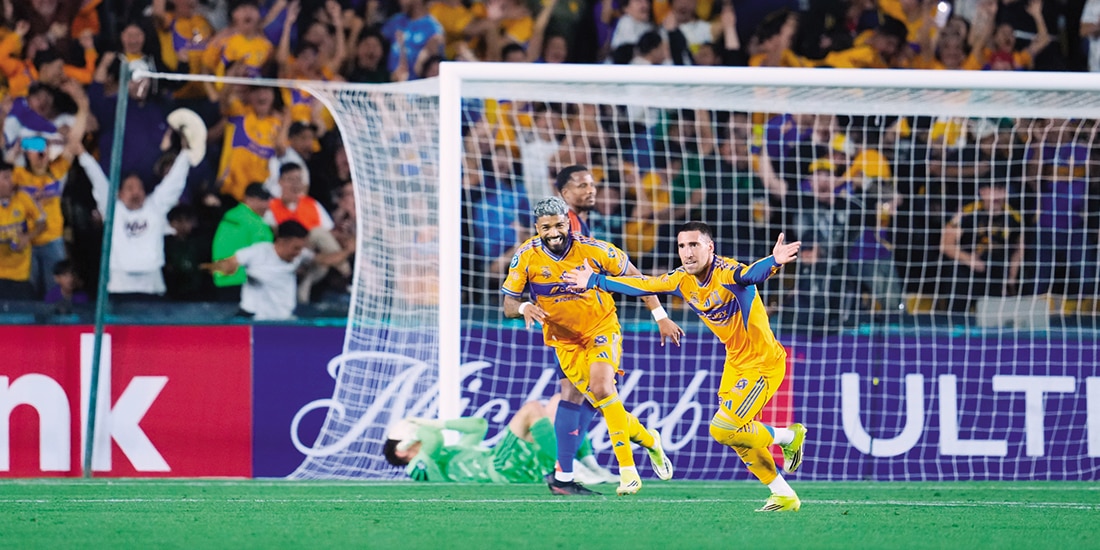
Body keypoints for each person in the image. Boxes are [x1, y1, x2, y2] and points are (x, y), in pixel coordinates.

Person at [562, 221, 808, 512]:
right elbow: (644, 285)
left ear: (710, 247)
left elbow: (749, 274)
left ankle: (788, 436)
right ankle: (782, 494)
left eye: (694, 245)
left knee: (723, 429)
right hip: (736, 363)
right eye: (682, 246)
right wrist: (595, 280)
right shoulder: (682, 279)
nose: (687, 252)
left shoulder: (726, 273)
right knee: (737, 435)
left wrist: (773, 262)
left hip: (764, 363)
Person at [502, 197, 676, 496]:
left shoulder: (595, 249)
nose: (554, 233)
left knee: (602, 388)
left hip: (600, 328)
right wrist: (523, 307)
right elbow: (508, 304)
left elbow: (638, 279)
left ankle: (627, 471)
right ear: (537, 228)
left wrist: (660, 316)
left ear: (568, 223)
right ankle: (647, 442)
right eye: (546, 227)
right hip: (564, 341)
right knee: (587, 398)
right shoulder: (526, 256)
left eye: (559, 225)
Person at [545, 166, 683, 495]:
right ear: (564, 193)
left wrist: (659, 314)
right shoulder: (565, 227)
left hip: (589, 325)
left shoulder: (580, 229)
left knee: (588, 394)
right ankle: (570, 468)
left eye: (592, 184)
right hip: (572, 328)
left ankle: (569, 468)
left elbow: (628, 274)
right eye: (582, 185)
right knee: (586, 394)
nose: (590, 190)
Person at [382, 395, 613, 484]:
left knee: (561, 402)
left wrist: (436, 423)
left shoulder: (455, 452)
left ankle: (591, 467)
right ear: (402, 449)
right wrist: (420, 428)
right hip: (499, 468)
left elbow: (478, 425)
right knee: (532, 409)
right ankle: (569, 468)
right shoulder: (417, 468)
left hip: (521, 469)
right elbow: (433, 441)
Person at [202, 220, 354, 320]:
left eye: (301, 248)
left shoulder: (300, 255)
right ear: (281, 241)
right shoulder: (258, 251)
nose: (299, 252)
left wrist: (348, 250)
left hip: (284, 319)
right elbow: (224, 264)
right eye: (295, 248)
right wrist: (230, 268)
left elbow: (326, 260)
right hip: (255, 319)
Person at [211, 182, 275, 302]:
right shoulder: (256, 223)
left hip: (222, 280)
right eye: (262, 200)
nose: (267, 204)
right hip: (245, 284)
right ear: (248, 199)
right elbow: (266, 255)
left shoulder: (230, 214)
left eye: (267, 200)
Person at [0, 159, 46, 300]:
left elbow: (42, 222)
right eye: (6, 178)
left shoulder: (22, 197)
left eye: (11, 176)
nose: (12, 181)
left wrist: (27, 236)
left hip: (21, 273)